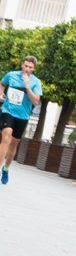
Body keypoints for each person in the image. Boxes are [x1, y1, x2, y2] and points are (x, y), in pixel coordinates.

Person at [0, 56, 42, 184]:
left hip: (22, 116)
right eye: (25, 66)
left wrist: (27, 86)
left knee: (13, 144)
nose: (27, 69)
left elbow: (36, 101)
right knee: (6, 137)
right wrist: (1, 92)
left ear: (34, 69)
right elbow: (2, 83)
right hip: (8, 111)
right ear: (22, 65)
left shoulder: (36, 82)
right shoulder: (11, 75)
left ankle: (6, 169)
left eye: (30, 67)